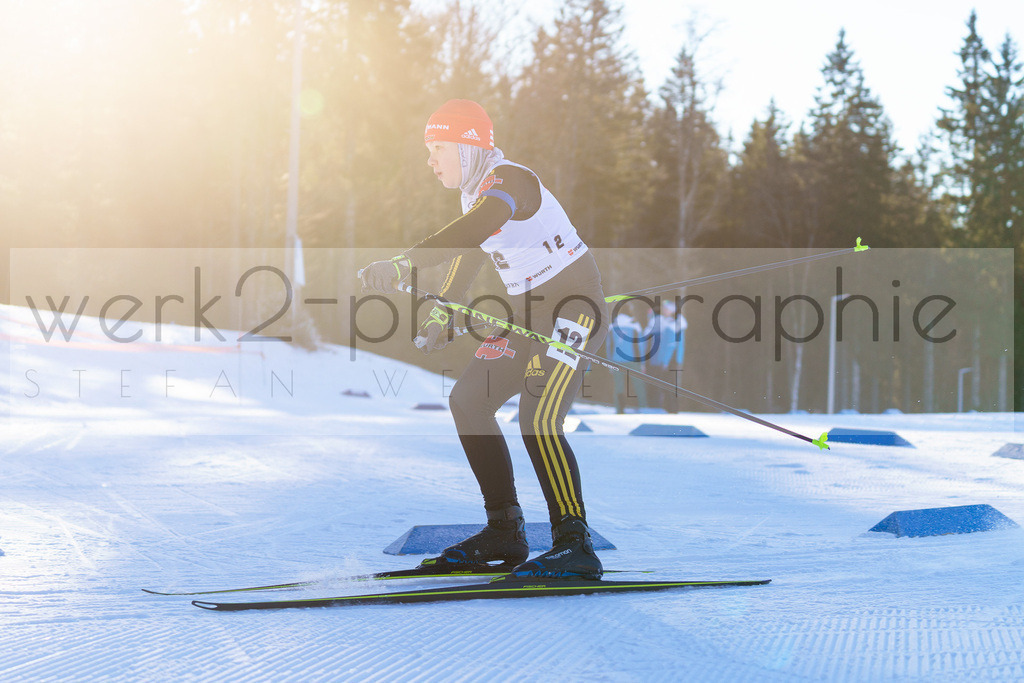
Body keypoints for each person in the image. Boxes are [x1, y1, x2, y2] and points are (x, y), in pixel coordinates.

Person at [359, 99, 608, 580]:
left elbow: (476, 226)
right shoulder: (474, 194)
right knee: (469, 400)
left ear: (467, 147)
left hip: (574, 307)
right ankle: (504, 531)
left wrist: (404, 263)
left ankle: (575, 544)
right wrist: (445, 308)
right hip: (526, 314)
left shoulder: (509, 181)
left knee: (539, 418)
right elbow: (471, 249)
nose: (430, 160)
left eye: (438, 148)